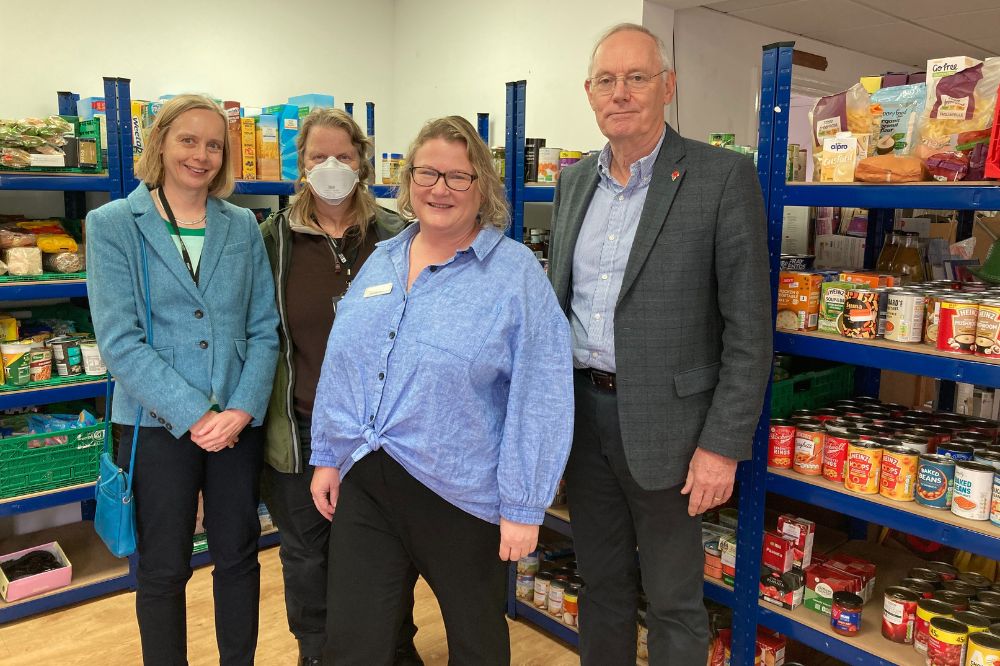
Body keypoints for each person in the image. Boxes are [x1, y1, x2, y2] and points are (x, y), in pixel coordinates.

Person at [309, 115, 574, 665]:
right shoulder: (383, 258)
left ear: (483, 189)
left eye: (458, 177)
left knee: (475, 642)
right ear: (407, 182)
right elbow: (344, 361)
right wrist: (329, 457)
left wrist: (525, 505)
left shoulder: (514, 273)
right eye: (426, 174)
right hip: (368, 477)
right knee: (354, 640)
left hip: (459, 491)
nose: (439, 189)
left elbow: (542, 393)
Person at [547, 24, 772, 665]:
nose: (620, 93)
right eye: (606, 81)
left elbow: (750, 332)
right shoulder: (572, 185)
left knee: (674, 601)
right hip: (584, 417)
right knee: (600, 585)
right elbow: (558, 308)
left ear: (667, 87)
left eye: (637, 77)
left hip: (673, 433)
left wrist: (722, 448)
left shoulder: (721, 178)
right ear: (589, 94)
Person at [86, 94, 279, 666]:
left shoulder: (243, 226)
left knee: (240, 557)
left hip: (235, 426)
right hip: (153, 422)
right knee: (164, 566)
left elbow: (265, 329)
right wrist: (196, 415)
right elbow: (119, 342)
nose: (201, 154)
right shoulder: (114, 224)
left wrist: (241, 410)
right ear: (161, 142)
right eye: (188, 140)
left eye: (214, 144)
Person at [259, 108, 422, 666]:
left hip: (381, 436)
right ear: (299, 166)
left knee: (386, 556)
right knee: (307, 559)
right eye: (317, 157)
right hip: (302, 430)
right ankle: (317, 655)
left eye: (343, 157)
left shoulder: (398, 237)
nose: (330, 167)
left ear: (363, 163)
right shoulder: (271, 242)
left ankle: (396, 650)